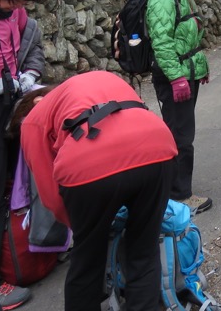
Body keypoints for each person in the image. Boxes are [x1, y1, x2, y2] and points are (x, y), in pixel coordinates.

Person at [15, 72, 177, 311]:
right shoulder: (100, 79)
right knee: (144, 250)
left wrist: (80, 226)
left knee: (88, 260)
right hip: (158, 147)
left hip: (89, 166)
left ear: (33, 103)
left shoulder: (32, 120)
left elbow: (50, 195)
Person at [0, 0, 48, 311]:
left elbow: (33, 50)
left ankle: (18, 257)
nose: (19, 7)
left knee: (15, 187)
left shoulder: (19, 16)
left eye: (25, 2)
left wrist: (28, 73)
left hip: (11, 106)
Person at [145, 0, 211, 213]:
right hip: (176, 78)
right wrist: (177, 78)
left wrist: (199, 69)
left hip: (186, 74)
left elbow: (186, 38)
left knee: (181, 132)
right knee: (180, 137)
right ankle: (179, 197)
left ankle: (174, 191)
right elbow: (162, 43)